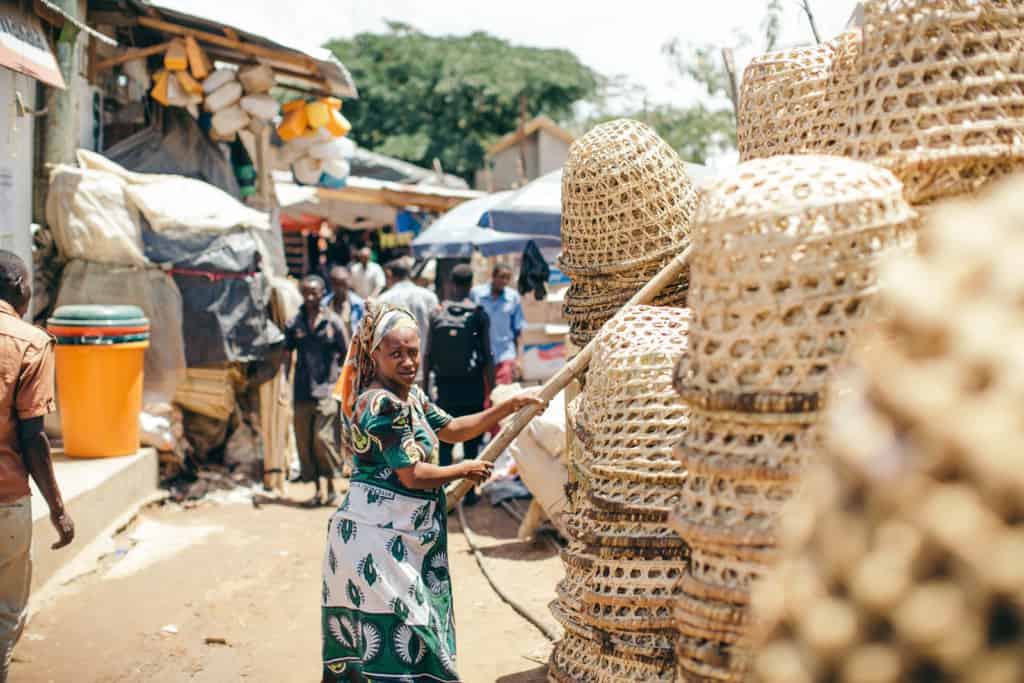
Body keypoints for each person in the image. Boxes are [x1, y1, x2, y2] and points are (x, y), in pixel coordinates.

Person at [322, 303, 541, 683]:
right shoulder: (379, 404)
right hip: (375, 540)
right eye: (396, 354)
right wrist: (464, 470)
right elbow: (412, 475)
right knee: (401, 631)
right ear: (374, 357)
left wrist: (505, 408)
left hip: (402, 537)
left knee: (411, 630)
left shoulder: (412, 397)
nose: (407, 361)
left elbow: (453, 427)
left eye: (412, 352)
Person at [0, 251, 74, 683]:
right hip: (6, 500)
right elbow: (33, 437)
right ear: (16, 286)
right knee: (6, 614)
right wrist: (58, 509)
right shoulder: (30, 341)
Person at [424, 264, 495, 477]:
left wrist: (426, 387)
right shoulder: (479, 314)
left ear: (451, 284)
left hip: (445, 387)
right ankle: (470, 491)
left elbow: (427, 354)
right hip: (472, 387)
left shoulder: (436, 313)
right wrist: (491, 391)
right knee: (471, 441)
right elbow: (488, 356)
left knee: (444, 441)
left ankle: (445, 487)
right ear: (471, 284)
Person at [285, 275, 348, 507]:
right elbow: (286, 354)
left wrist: (341, 383)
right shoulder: (295, 323)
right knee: (305, 442)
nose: (310, 297)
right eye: (306, 293)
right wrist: (284, 384)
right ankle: (317, 490)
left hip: (327, 390)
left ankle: (332, 487)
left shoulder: (333, 322)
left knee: (323, 439)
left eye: (314, 292)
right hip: (302, 390)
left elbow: (346, 354)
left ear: (323, 293)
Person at [376, 258, 438, 383]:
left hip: (396, 372)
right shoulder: (430, 297)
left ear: (389, 274)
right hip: (425, 371)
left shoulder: (383, 300)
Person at [471, 264, 524, 387]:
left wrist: (519, 359)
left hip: (505, 354)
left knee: (502, 395)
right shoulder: (477, 294)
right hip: (482, 355)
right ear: (493, 276)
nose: (504, 281)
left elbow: (518, 330)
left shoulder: (513, 298)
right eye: (501, 277)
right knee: (485, 398)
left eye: (507, 278)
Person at [323, 265, 365, 344]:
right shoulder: (324, 304)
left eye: (343, 284)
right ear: (331, 284)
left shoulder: (359, 305)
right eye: (336, 284)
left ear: (349, 282)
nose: (340, 288)